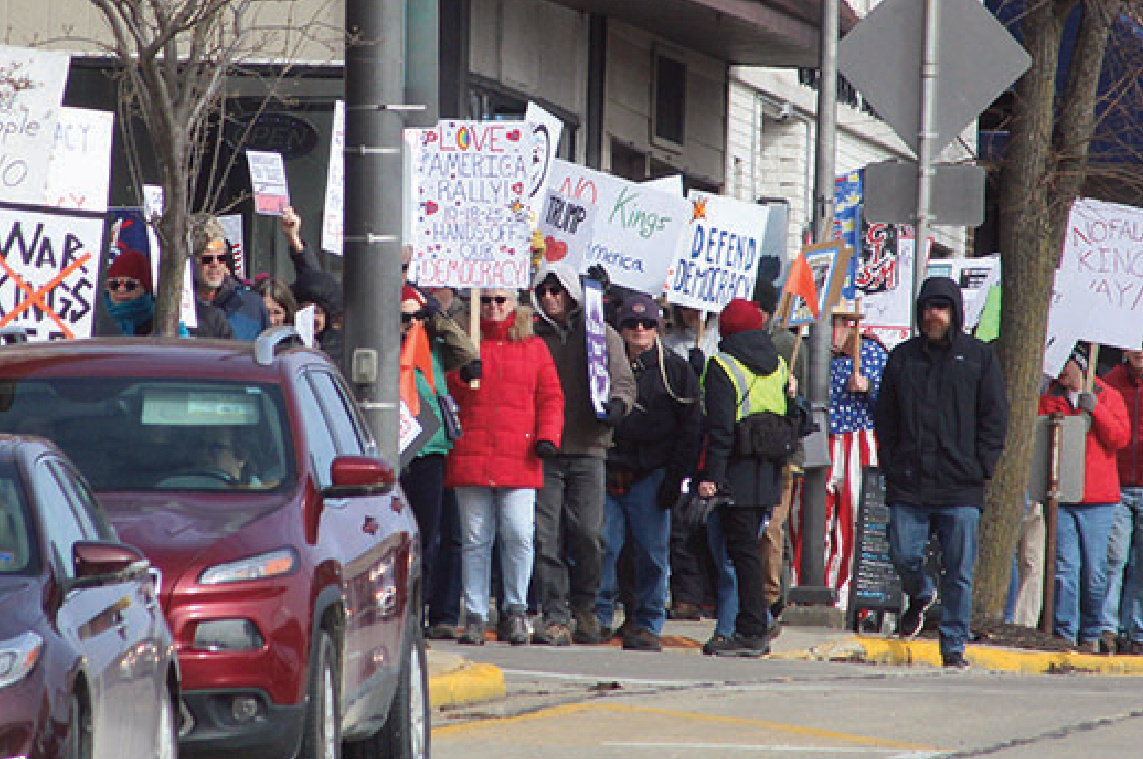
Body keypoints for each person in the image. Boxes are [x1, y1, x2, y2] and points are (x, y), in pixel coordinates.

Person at [874, 276, 1009, 669]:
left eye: (942, 307)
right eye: (929, 308)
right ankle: (920, 591)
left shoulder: (979, 358)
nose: (935, 315)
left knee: (960, 571)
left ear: (955, 312)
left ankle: (953, 646)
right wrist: (892, 462)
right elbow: (886, 416)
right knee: (902, 552)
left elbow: (994, 417)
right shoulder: (902, 357)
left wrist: (983, 464)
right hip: (910, 482)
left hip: (960, 485)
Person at [445, 288, 564, 645]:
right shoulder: (462, 343)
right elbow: (445, 391)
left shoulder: (534, 346)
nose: (494, 307)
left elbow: (551, 396)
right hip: (474, 451)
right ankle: (477, 614)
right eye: (487, 300)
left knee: (519, 534)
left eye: (500, 300)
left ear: (514, 303)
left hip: (519, 454)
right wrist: (463, 377)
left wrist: (548, 436)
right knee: (475, 538)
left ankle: (515, 609)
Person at [530, 261, 636, 646]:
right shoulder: (531, 335)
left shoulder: (600, 334)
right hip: (543, 448)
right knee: (546, 537)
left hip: (589, 447)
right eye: (544, 290)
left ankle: (586, 608)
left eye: (557, 290)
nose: (550, 297)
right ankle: (555, 614)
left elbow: (623, 380)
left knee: (589, 534)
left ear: (572, 292)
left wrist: (619, 406)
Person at [595, 293, 700, 651]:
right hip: (609, 468)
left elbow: (690, 428)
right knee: (604, 547)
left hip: (652, 474)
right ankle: (600, 616)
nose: (639, 330)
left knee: (652, 552)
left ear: (658, 327)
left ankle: (647, 621)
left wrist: (675, 479)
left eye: (647, 324)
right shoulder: (601, 365)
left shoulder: (676, 370)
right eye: (631, 324)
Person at [696, 297, 795, 657]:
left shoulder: (721, 364)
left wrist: (712, 477)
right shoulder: (780, 364)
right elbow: (790, 414)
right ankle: (754, 622)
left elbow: (719, 429)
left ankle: (752, 627)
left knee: (740, 554)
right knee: (748, 551)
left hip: (736, 471)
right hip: (768, 473)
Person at [789, 301, 889, 613]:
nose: (832, 332)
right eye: (829, 324)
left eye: (839, 324)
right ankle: (806, 586)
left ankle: (845, 597)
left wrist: (868, 387)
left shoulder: (873, 354)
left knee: (852, 520)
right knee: (807, 518)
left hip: (856, 439)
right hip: (818, 440)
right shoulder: (809, 354)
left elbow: (892, 406)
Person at [1039, 343, 1130, 651]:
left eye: (1067, 366)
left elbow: (1119, 438)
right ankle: (1066, 631)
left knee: (1095, 571)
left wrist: (1096, 409)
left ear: (1079, 365)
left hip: (1099, 498)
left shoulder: (1108, 395)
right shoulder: (1050, 397)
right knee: (1065, 567)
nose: (1061, 373)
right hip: (1063, 495)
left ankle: (1092, 631)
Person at [400, 285, 455, 629]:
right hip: (395, 455)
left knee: (427, 536)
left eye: (417, 317)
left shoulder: (435, 347)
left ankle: (419, 612)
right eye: (405, 318)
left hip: (430, 451)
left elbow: (466, 351)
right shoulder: (383, 344)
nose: (411, 324)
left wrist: (435, 317)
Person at [1102, 348, 1143, 654]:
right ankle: (1108, 628)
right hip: (1115, 483)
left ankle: (1137, 631)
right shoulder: (1109, 382)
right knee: (1114, 559)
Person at [192, 216, 271, 341]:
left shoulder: (252, 305)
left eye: (221, 258)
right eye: (207, 259)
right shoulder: (181, 308)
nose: (215, 264)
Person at [101, 250, 155, 336]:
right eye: (114, 284)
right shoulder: (94, 320)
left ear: (144, 289)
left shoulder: (160, 324)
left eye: (130, 285)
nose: (121, 289)